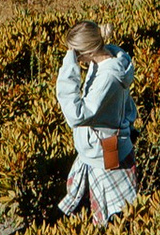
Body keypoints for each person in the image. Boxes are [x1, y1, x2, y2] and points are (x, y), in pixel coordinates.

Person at [55, 22, 139, 224]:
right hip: (105, 141)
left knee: (115, 209)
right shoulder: (102, 61)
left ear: (88, 51)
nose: (76, 59)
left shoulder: (108, 76)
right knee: (107, 200)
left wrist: (69, 69)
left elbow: (78, 115)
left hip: (107, 145)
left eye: (76, 54)